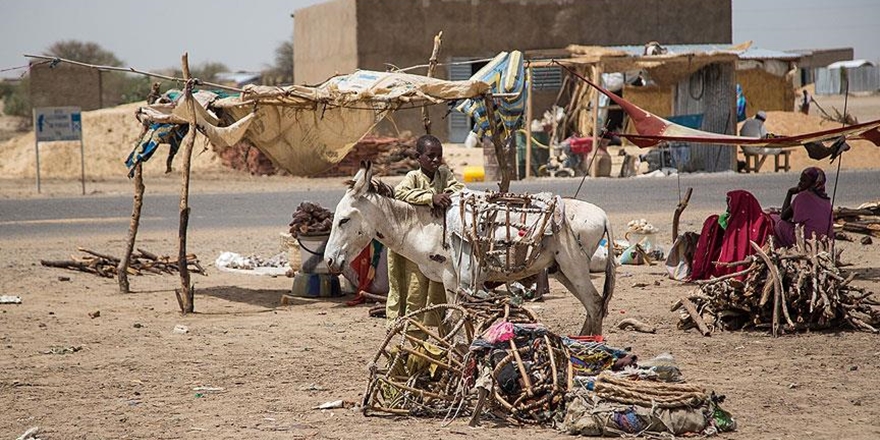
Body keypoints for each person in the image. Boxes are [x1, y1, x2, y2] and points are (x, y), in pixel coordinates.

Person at [385, 134, 465, 328]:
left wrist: (446, 197)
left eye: (439, 155)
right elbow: (400, 193)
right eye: (430, 156)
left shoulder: (444, 174)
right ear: (418, 157)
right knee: (415, 290)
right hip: (414, 246)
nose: (436, 160)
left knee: (438, 288)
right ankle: (412, 334)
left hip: (436, 245)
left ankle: (436, 333)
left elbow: (459, 189)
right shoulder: (412, 177)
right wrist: (431, 198)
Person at [690, 190, 774, 280]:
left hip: (754, 262)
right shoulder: (732, 219)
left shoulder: (761, 221)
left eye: (730, 203)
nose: (728, 207)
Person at [772, 167, 833, 247]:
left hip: (806, 240)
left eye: (804, 181)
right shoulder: (826, 199)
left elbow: (784, 216)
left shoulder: (803, 196)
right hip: (824, 240)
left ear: (813, 183)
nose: (800, 183)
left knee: (776, 221)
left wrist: (789, 193)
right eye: (800, 180)